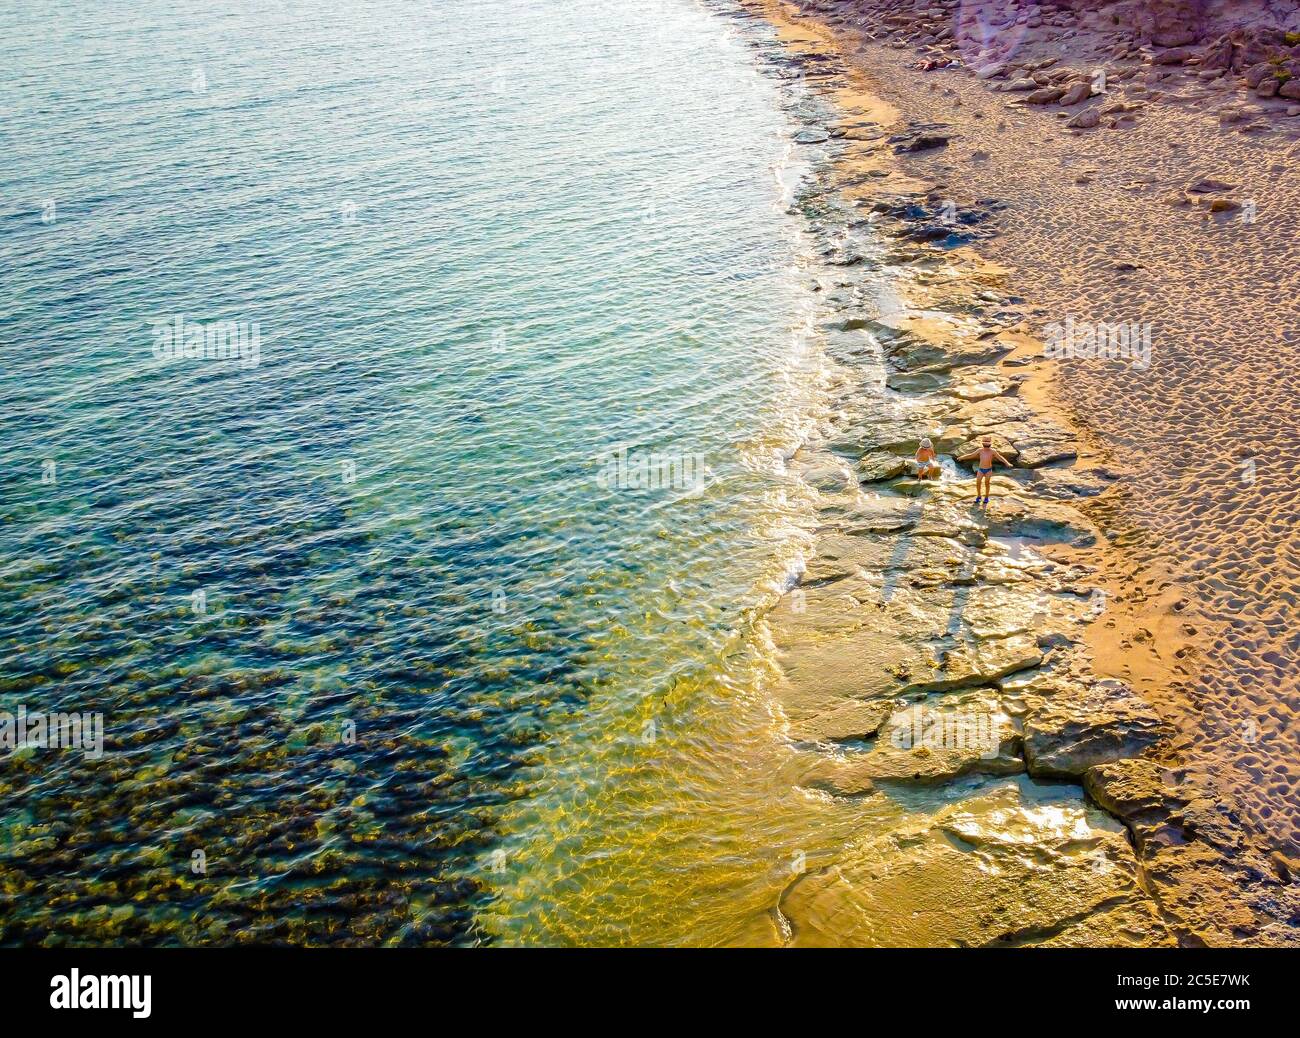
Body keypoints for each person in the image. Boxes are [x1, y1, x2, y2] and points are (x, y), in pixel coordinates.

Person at [957, 436, 1012, 505]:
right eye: (985, 444)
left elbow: (1000, 457)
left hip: (988, 470)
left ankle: (986, 497)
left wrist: (1007, 463)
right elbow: (971, 455)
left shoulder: (993, 451)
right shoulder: (980, 450)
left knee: (987, 483)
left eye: (987, 444)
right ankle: (979, 496)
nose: (986, 445)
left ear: (990, 444)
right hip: (980, 470)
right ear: (983, 444)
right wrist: (962, 457)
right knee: (978, 483)